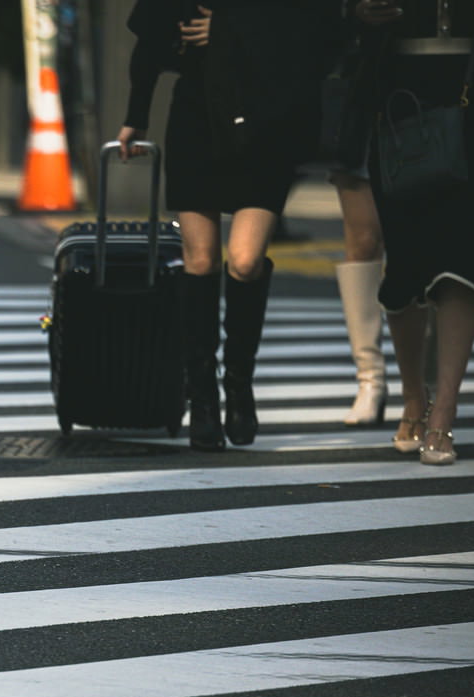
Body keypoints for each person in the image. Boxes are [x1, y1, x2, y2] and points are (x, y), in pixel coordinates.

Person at [118, 0, 334, 452]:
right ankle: (202, 399)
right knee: (199, 259)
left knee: (246, 261)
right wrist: (135, 118)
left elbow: (317, 33)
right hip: (195, 120)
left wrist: (233, 28)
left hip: (265, 122)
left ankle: (238, 383)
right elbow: (150, 42)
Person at [356, 0, 474, 465]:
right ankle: (414, 398)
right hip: (398, 96)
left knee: (462, 255)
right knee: (405, 263)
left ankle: (445, 414)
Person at [322, 4, 390, 426]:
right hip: (358, 97)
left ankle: (427, 384)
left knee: (424, 250)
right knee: (362, 240)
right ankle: (371, 379)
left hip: (427, 87)